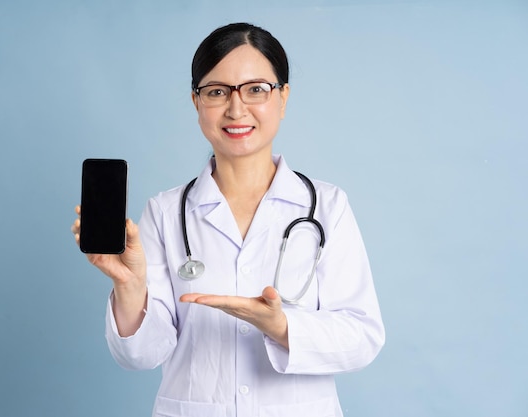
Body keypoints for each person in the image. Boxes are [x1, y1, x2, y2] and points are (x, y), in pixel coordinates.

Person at [71, 22, 384, 417]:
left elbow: (363, 337)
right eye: (217, 92)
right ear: (196, 102)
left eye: (256, 89)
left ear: (283, 98)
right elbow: (141, 357)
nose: (237, 109)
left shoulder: (327, 206)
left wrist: (281, 326)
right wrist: (130, 287)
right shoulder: (166, 212)